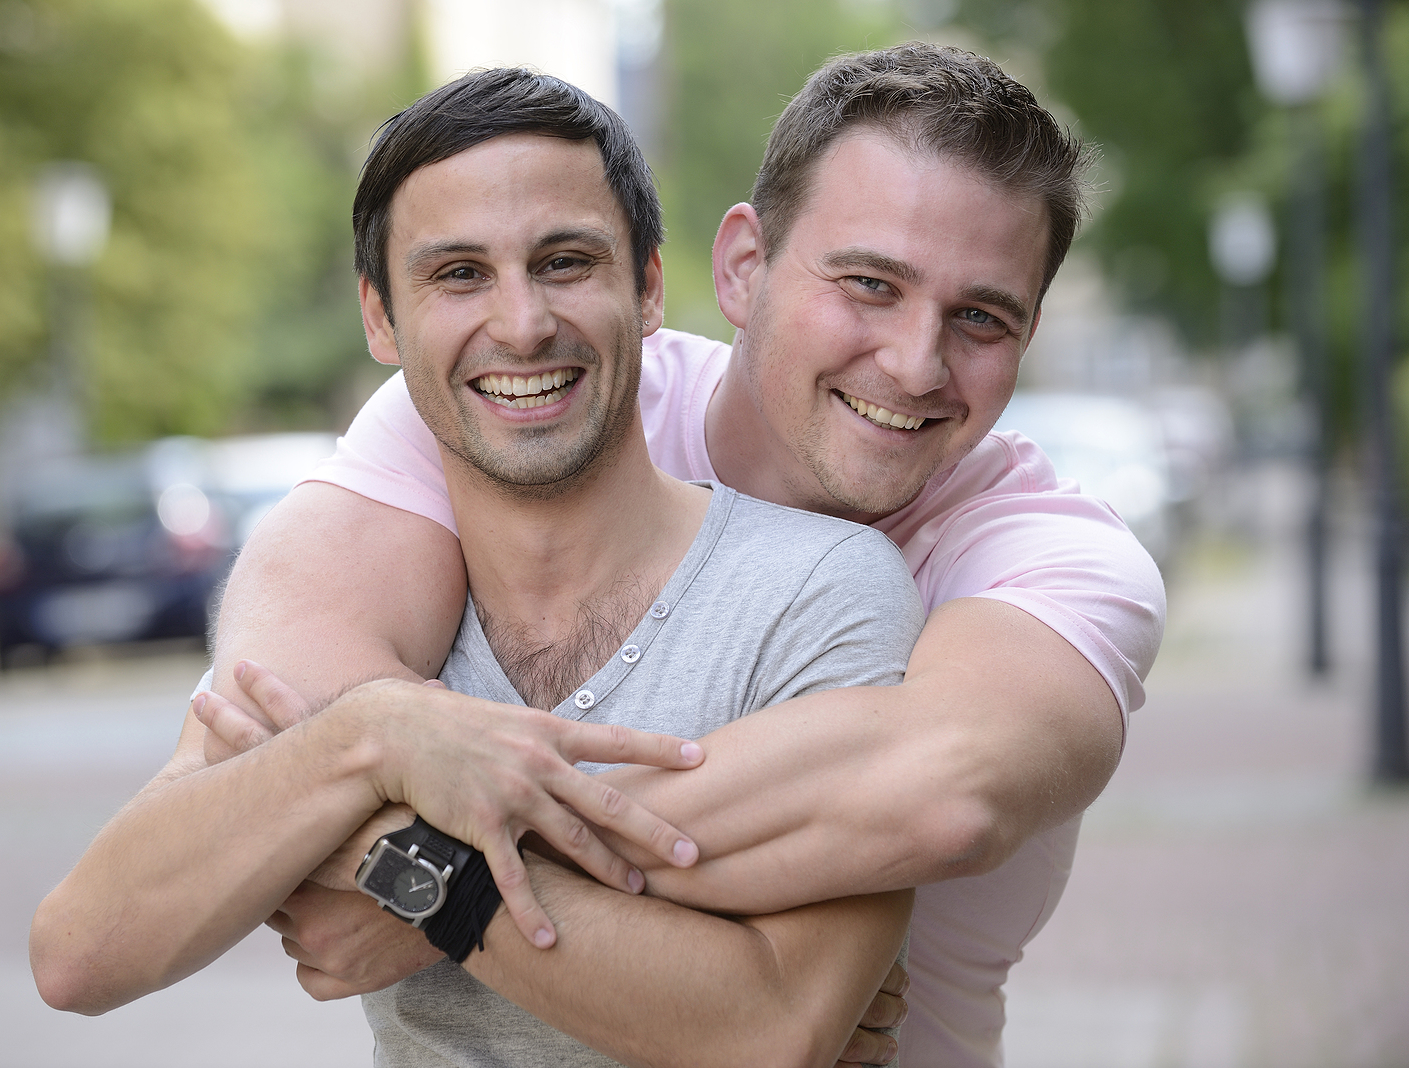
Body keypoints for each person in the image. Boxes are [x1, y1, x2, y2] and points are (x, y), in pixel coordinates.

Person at [203, 44, 1166, 1068]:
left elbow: (944, 793)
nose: (916, 362)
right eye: (869, 284)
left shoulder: (1058, 557)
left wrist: (432, 880)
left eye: (980, 317)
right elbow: (272, 707)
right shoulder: (536, 393)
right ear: (744, 265)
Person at [32, 67, 923, 1068]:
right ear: (381, 318)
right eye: (458, 274)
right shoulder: (367, 615)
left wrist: (402, 867)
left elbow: (772, 1029)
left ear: (647, 286)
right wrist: (376, 737)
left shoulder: (818, 590)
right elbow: (80, 955)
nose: (522, 322)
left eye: (565, 262)